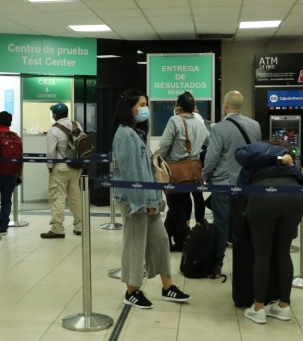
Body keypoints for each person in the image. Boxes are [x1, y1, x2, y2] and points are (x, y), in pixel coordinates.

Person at [112, 88, 191, 309]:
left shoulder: (135, 134)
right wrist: (143, 203)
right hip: (134, 201)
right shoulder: (125, 134)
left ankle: (168, 287)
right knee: (135, 244)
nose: (145, 109)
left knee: (160, 241)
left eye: (146, 104)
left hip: (149, 200)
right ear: (130, 109)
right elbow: (132, 174)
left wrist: (157, 198)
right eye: (142, 105)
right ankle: (132, 290)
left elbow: (147, 171)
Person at [235, 140, 303, 324]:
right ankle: (283, 306)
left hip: (262, 194)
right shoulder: (288, 158)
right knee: (283, 252)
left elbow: (239, 156)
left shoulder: (254, 148)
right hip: (294, 194)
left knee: (262, 253)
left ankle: (258, 308)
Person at [202, 90, 261, 275]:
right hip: (246, 183)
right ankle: (245, 267)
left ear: (226, 105)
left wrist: (205, 175)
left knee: (221, 224)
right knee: (244, 226)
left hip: (223, 183)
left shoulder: (219, 128)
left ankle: (217, 265)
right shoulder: (255, 125)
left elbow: (212, 157)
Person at [158, 92, 210, 251]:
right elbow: (209, 143)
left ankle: (181, 240)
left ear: (178, 107)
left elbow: (164, 145)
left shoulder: (174, 120)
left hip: (175, 171)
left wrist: (160, 162)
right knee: (185, 202)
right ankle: (176, 235)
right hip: (192, 171)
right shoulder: (201, 124)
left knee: (175, 206)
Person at [41, 103, 82, 239]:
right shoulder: (77, 125)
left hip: (60, 166)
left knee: (57, 196)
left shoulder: (54, 130)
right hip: (76, 166)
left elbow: (50, 151)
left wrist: (50, 167)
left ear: (55, 115)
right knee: (75, 196)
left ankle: (57, 229)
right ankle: (79, 226)